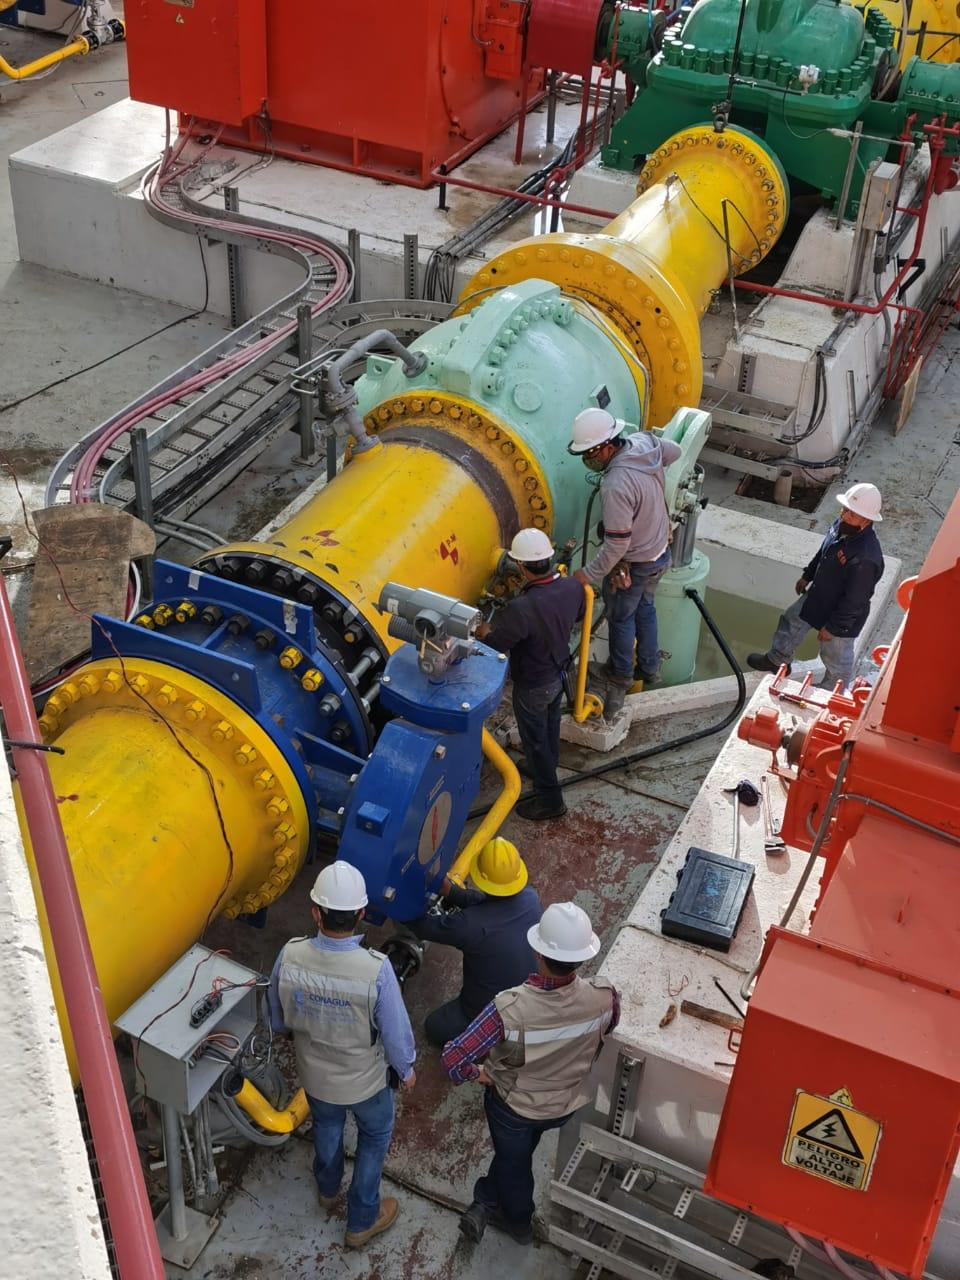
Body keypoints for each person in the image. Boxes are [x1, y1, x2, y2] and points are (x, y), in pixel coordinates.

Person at [442, 901, 619, 1245]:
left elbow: (453, 1059)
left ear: (538, 953)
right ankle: (486, 1199)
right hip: (563, 1105)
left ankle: (518, 1221)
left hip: (514, 1109)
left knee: (515, 1162)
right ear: (582, 957)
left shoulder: (510, 1008)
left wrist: (481, 1074)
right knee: (517, 1152)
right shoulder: (604, 998)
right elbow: (609, 1026)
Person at [268, 861, 416, 1250]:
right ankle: (362, 1221)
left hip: (316, 1079)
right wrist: (406, 1069)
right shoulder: (376, 971)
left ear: (315, 913)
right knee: (374, 1137)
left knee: (327, 1126)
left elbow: (277, 1018)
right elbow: (396, 1034)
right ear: (361, 913)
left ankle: (328, 1189)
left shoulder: (290, 955)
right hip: (366, 1084)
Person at [568, 407, 682, 719]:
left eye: (591, 453)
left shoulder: (615, 484)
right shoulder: (643, 443)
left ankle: (619, 675)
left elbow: (617, 544)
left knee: (621, 617)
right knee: (645, 607)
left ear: (607, 446)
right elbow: (675, 451)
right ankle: (649, 666)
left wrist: (586, 575)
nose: (588, 459)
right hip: (660, 552)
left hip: (636, 563)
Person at [478, 528, 584, 822]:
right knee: (550, 725)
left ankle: (551, 801)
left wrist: (484, 631)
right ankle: (545, 765)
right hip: (560, 673)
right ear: (549, 558)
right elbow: (577, 615)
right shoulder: (573, 587)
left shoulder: (521, 608)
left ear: (522, 567)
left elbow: (497, 646)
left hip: (534, 684)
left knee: (535, 739)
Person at [747, 482, 884, 690]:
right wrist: (808, 575)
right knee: (791, 621)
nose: (845, 515)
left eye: (852, 514)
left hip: (841, 614)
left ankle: (832, 691)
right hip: (819, 595)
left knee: (835, 658)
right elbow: (824, 553)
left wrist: (834, 627)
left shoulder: (866, 557)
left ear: (867, 519)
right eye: (845, 509)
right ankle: (777, 660)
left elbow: (855, 600)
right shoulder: (842, 526)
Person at [408, 838, 542, 1046]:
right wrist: (451, 892)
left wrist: (399, 903)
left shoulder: (469, 926)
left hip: (490, 1009)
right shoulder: (531, 898)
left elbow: (423, 927)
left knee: (434, 1028)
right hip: (528, 998)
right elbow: (487, 903)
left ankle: (487, 1032)